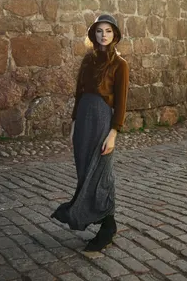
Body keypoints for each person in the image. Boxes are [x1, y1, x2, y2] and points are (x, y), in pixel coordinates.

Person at [51, 14, 129, 252]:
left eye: (107, 31)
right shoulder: (87, 60)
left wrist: (113, 132)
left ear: (114, 34)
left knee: (102, 171)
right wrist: (74, 122)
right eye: (99, 31)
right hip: (84, 118)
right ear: (93, 34)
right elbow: (79, 93)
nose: (103, 35)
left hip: (103, 119)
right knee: (85, 171)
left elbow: (122, 102)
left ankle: (108, 224)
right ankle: (103, 220)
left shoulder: (120, 64)